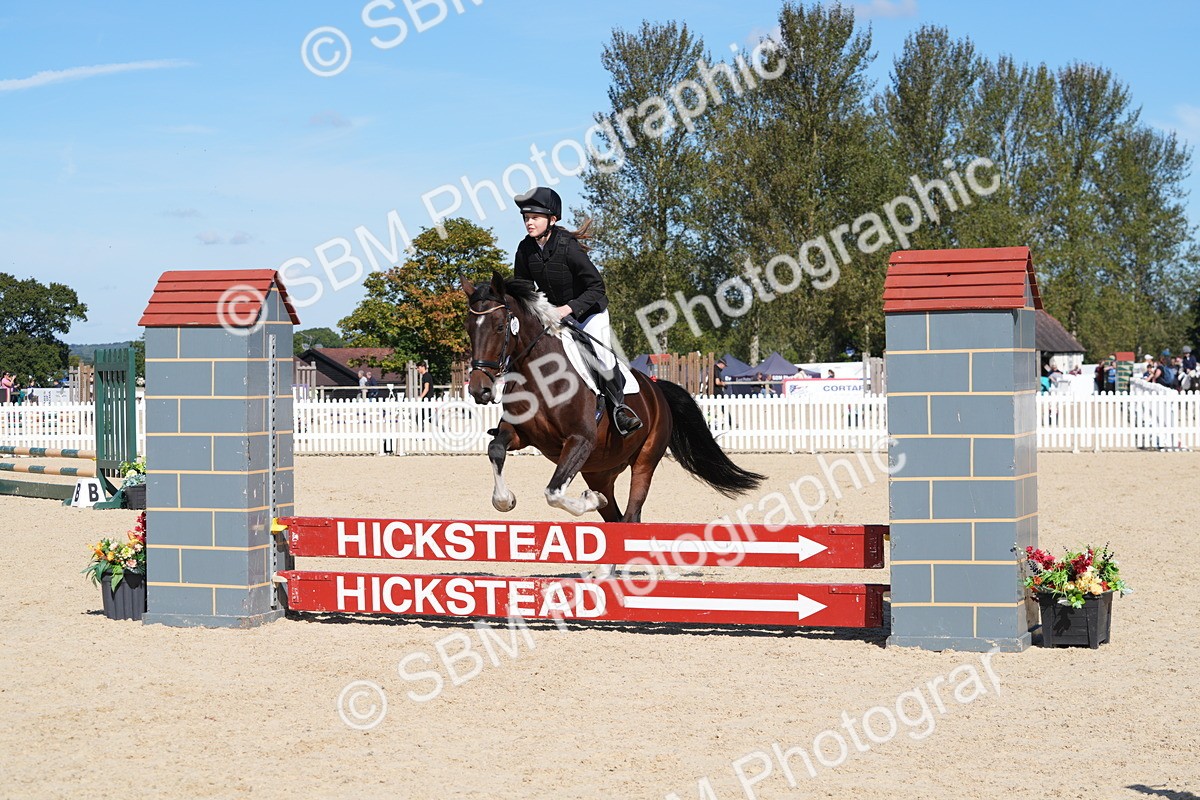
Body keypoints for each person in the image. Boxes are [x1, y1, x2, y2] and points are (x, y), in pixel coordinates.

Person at [512, 186, 641, 434]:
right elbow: (524, 290)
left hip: (589, 312)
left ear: (552, 219)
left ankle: (620, 410)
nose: (529, 223)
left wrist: (567, 309)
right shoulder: (524, 249)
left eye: (535, 218)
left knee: (601, 357)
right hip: (555, 315)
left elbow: (597, 288)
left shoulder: (567, 247)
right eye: (526, 218)